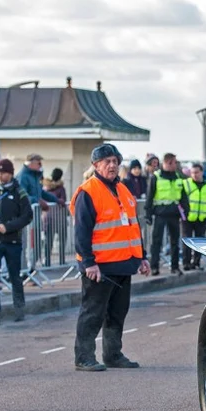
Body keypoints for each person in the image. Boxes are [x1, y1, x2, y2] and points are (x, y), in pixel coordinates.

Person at [70, 143, 151, 372]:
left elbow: (133, 228)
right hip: (100, 266)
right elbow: (82, 232)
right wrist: (88, 263)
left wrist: (141, 258)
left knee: (117, 313)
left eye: (115, 161)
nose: (112, 165)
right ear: (96, 165)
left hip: (124, 264)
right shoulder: (88, 191)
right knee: (92, 313)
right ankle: (84, 357)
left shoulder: (123, 190)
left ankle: (113, 355)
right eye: (107, 161)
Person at [0, 158, 34, 325]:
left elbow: (27, 216)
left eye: (4, 173)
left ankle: (19, 308)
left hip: (12, 241)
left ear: (10, 174)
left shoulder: (19, 192)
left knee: (14, 276)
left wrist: (8, 226)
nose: (0, 176)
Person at [145, 152, 186, 275]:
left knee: (174, 242)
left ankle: (174, 267)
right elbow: (149, 197)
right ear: (165, 163)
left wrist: (186, 211)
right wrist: (148, 215)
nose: (173, 165)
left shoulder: (178, 177)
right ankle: (154, 267)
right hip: (160, 213)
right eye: (171, 163)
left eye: (174, 163)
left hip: (174, 214)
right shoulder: (156, 177)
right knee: (156, 242)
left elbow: (183, 197)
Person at [181, 162, 206, 270]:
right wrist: (185, 214)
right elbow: (182, 201)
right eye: (192, 173)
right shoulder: (186, 183)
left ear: (202, 172)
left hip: (202, 219)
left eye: (196, 172)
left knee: (199, 242)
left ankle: (196, 263)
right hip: (188, 218)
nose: (194, 175)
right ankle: (186, 263)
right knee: (187, 242)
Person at [42, 167, 69, 267]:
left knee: (48, 241)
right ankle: (61, 260)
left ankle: (47, 261)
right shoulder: (61, 188)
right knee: (62, 240)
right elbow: (63, 200)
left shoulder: (45, 188)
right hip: (59, 217)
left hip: (48, 217)